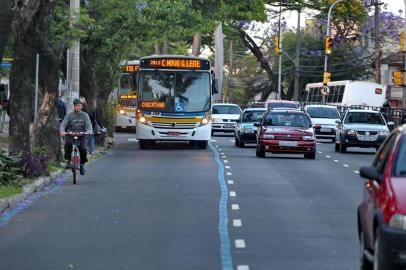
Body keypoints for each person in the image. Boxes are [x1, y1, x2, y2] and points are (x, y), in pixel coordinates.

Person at [59, 98, 93, 175]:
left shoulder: (85, 115)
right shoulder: (69, 115)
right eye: (76, 105)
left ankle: (82, 165)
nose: (78, 107)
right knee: (67, 144)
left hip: (82, 135)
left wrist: (89, 131)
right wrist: (62, 131)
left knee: (83, 149)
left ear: (81, 106)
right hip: (71, 134)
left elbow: (89, 124)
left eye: (79, 105)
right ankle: (68, 161)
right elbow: (63, 124)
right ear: (73, 106)